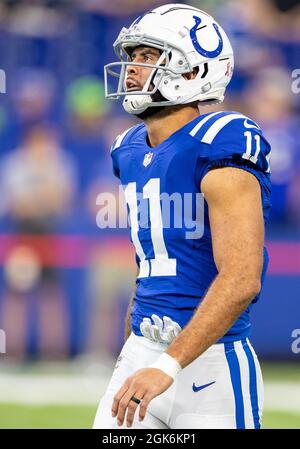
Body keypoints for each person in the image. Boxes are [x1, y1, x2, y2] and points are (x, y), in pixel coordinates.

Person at [93, 3, 271, 429]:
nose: (132, 68)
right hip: (143, 351)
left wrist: (167, 366)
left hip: (212, 369)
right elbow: (151, 262)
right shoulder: (130, 148)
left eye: (148, 57)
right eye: (132, 56)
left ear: (193, 72)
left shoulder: (219, 143)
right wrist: (135, 344)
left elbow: (242, 277)